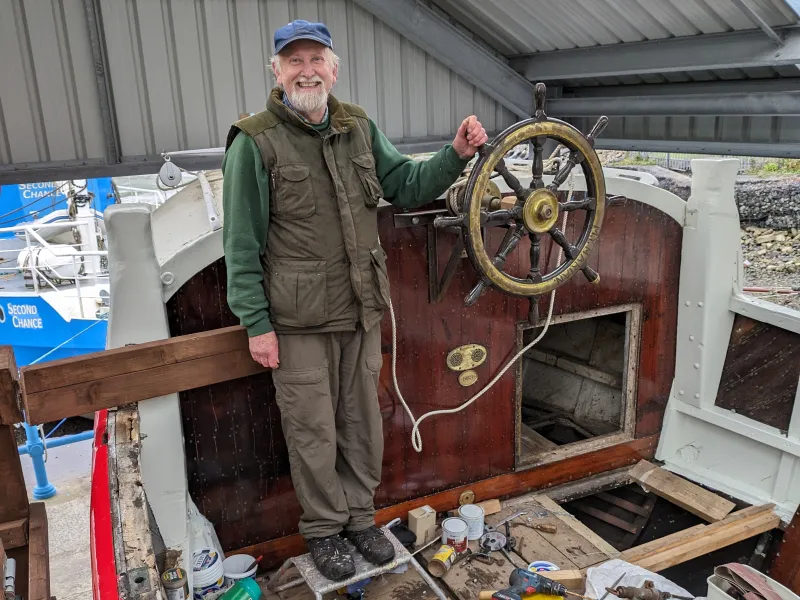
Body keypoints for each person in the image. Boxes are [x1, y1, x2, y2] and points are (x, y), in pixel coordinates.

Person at [221, 19, 488, 581]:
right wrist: (256, 324)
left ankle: (361, 521)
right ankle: (324, 530)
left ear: (334, 69)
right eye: (294, 61)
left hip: (361, 312)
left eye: (316, 59)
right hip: (297, 323)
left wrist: (456, 153)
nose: (307, 71)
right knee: (312, 430)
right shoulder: (254, 142)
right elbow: (240, 244)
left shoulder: (358, 127)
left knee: (362, 424)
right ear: (277, 72)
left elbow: (407, 185)